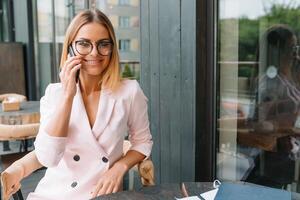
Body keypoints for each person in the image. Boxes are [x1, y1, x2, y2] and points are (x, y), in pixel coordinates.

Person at [24, 9, 152, 199]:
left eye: (103, 44)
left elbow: (142, 142)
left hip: (100, 194)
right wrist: (68, 96)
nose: (94, 53)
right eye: (84, 44)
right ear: (70, 48)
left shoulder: (130, 91)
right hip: (53, 194)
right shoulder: (54, 93)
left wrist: (120, 167)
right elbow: (48, 157)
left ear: (112, 49)